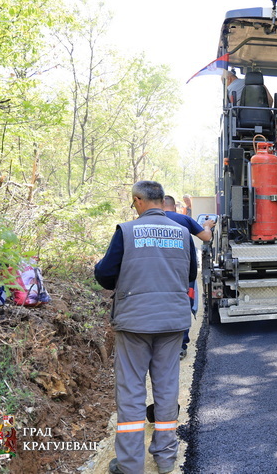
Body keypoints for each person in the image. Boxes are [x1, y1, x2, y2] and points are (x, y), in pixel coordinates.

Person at [94, 181, 196, 474]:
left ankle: (130, 464)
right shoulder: (182, 232)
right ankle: (165, 458)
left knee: (131, 390)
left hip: (135, 322)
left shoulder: (126, 231)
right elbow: (190, 272)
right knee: (166, 388)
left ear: (138, 200)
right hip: (172, 321)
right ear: (162, 201)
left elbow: (105, 274)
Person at [163, 195, 215, 359]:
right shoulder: (183, 219)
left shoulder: (145, 222)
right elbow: (206, 237)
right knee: (183, 306)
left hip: (157, 273)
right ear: (174, 207)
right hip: (183, 273)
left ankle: (160, 345)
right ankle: (180, 346)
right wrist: (207, 226)